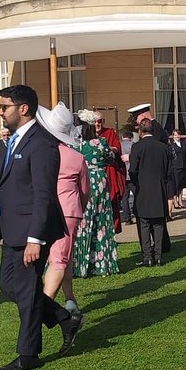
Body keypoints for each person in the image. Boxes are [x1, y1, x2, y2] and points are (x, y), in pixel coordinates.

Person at [0, 85, 83, 370]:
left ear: (23, 108)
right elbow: (8, 188)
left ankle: (28, 353)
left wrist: (35, 239)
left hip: (32, 231)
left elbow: (43, 194)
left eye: (5, 106)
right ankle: (63, 318)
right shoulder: (12, 142)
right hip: (12, 228)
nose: (1, 112)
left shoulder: (41, 143)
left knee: (27, 290)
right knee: (9, 285)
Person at [37, 102, 89, 318]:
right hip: (68, 211)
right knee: (61, 258)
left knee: (58, 259)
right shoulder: (76, 157)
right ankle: (52, 304)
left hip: (46, 209)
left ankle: (45, 306)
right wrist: (80, 209)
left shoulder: (41, 153)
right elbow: (84, 191)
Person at [72, 116, 119, 279]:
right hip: (99, 181)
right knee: (102, 222)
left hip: (83, 182)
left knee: (83, 221)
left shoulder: (76, 145)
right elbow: (111, 158)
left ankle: (80, 265)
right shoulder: (101, 143)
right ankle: (102, 263)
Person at [130, 117, 172, 265]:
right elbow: (168, 172)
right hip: (159, 189)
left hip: (142, 189)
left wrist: (137, 183)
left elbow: (132, 170)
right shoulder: (163, 148)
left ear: (140, 131)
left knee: (144, 224)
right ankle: (159, 256)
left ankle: (147, 256)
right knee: (159, 224)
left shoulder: (137, 147)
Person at [91, 109, 126, 233]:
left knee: (111, 201)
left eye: (100, 121)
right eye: (95, 121)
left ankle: (113, 230)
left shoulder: (110, 132)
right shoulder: (87, 133)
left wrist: (104, 147)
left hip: (108, 171)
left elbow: (116, 148)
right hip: (93, 173)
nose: (97, 124)